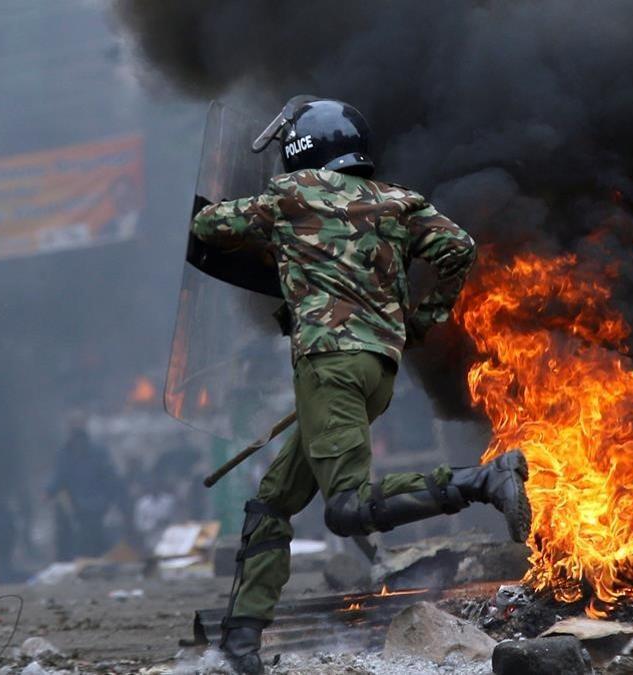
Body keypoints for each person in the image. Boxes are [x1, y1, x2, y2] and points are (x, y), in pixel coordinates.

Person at [190, 96, 531, 674]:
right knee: (273, 502)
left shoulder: (291, 196)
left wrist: (266, 226)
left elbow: (208, 227)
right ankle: (241, 645)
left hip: (329, 367)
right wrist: (426, 318)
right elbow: (459, 248)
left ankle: (481, 480)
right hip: (378, 370)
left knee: (346, 508)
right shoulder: (396, 200)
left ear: (301, 149)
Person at [45, 413, 124, 560]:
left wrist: (112, 499)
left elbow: (110, 477)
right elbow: (59, 477)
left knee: (98, 537)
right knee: (74, 537)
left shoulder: (98, 454)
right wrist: (48, 492)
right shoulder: (65, 455)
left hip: (98, 504)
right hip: (77, 506)